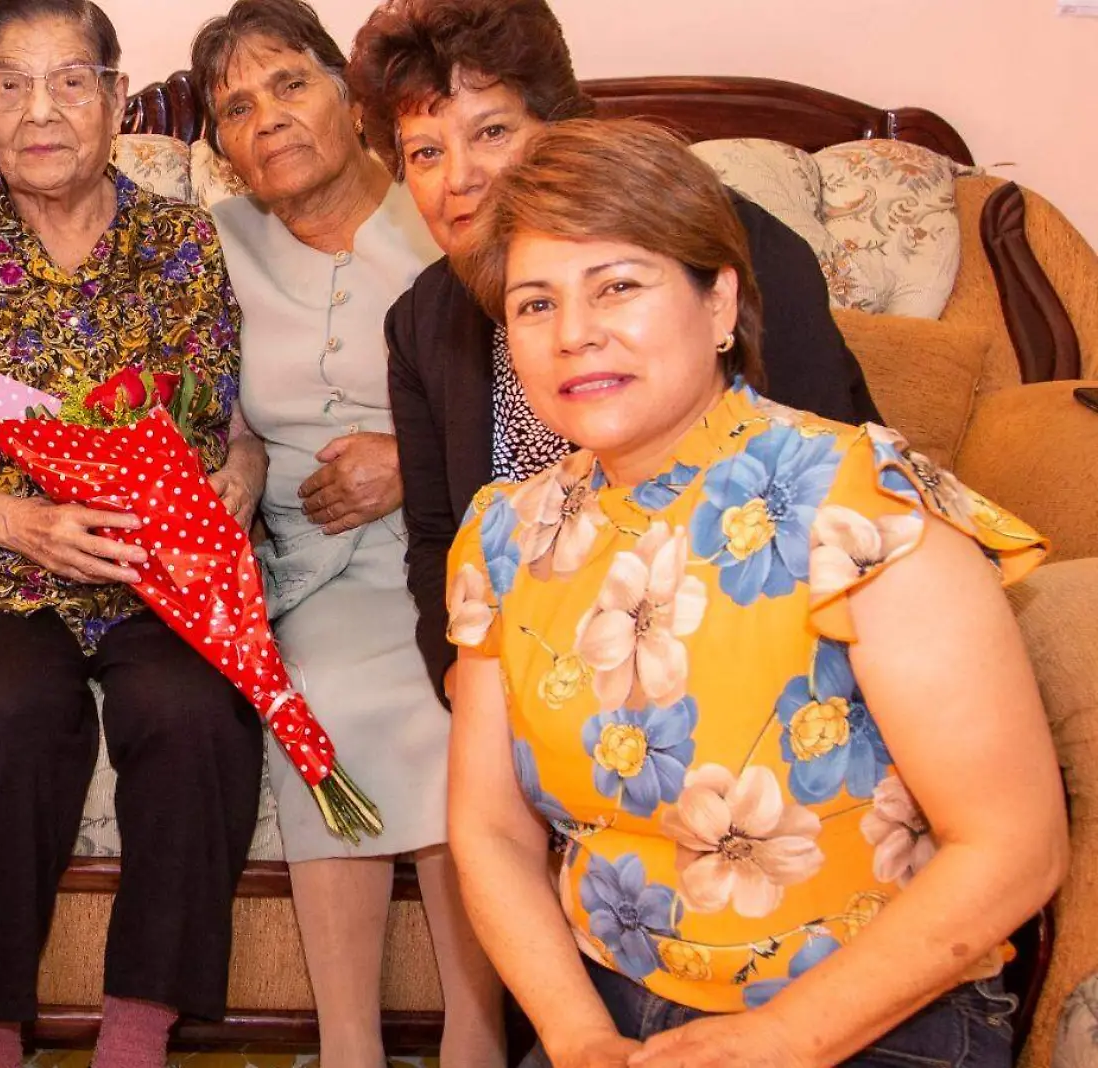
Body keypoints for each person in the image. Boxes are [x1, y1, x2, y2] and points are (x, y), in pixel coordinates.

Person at [444, 118, 1067, 1068]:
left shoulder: (857, 500)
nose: (575, 333)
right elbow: (488, 828)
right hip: (609, 1009)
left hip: (874, 1013)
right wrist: (576, 1037)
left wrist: (782, 1039)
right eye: (535, 305)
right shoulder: (504, 535)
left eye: (619, 285)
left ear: (720, 301)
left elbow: (1014, 844)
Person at [0, 1, 268, 1065]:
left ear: (113, 93)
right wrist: (17, 521)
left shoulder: (186, 241)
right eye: (9, 83)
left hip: (157, 567)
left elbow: (237, 431)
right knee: (9, 708)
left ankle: (139, 1029)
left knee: (195, 714)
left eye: (69, 81)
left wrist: (239, 474)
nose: (40, 110)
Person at [345, 0, 881, 706]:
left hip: (762, 639)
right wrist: (469, 681)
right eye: (425, 153)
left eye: (494, 130)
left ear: (558, 130)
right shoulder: (421, 322)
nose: (461, 178)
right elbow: (438, 541)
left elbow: (832, 488)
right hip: (544, 669)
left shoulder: (721, 246)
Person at [183, 2, 502, 1064]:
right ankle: (348, 1046)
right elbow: (77, 226)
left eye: (289, 85)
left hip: (454, 534)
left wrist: (411, 462)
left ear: (347, 96)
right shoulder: (210, 243)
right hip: (306, 566)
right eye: (235, 106)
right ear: (219, 148)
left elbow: (545, 401)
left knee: (457, 700)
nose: (265, 118)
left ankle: (474, 1028)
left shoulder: (444, 206)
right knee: (314, 690)